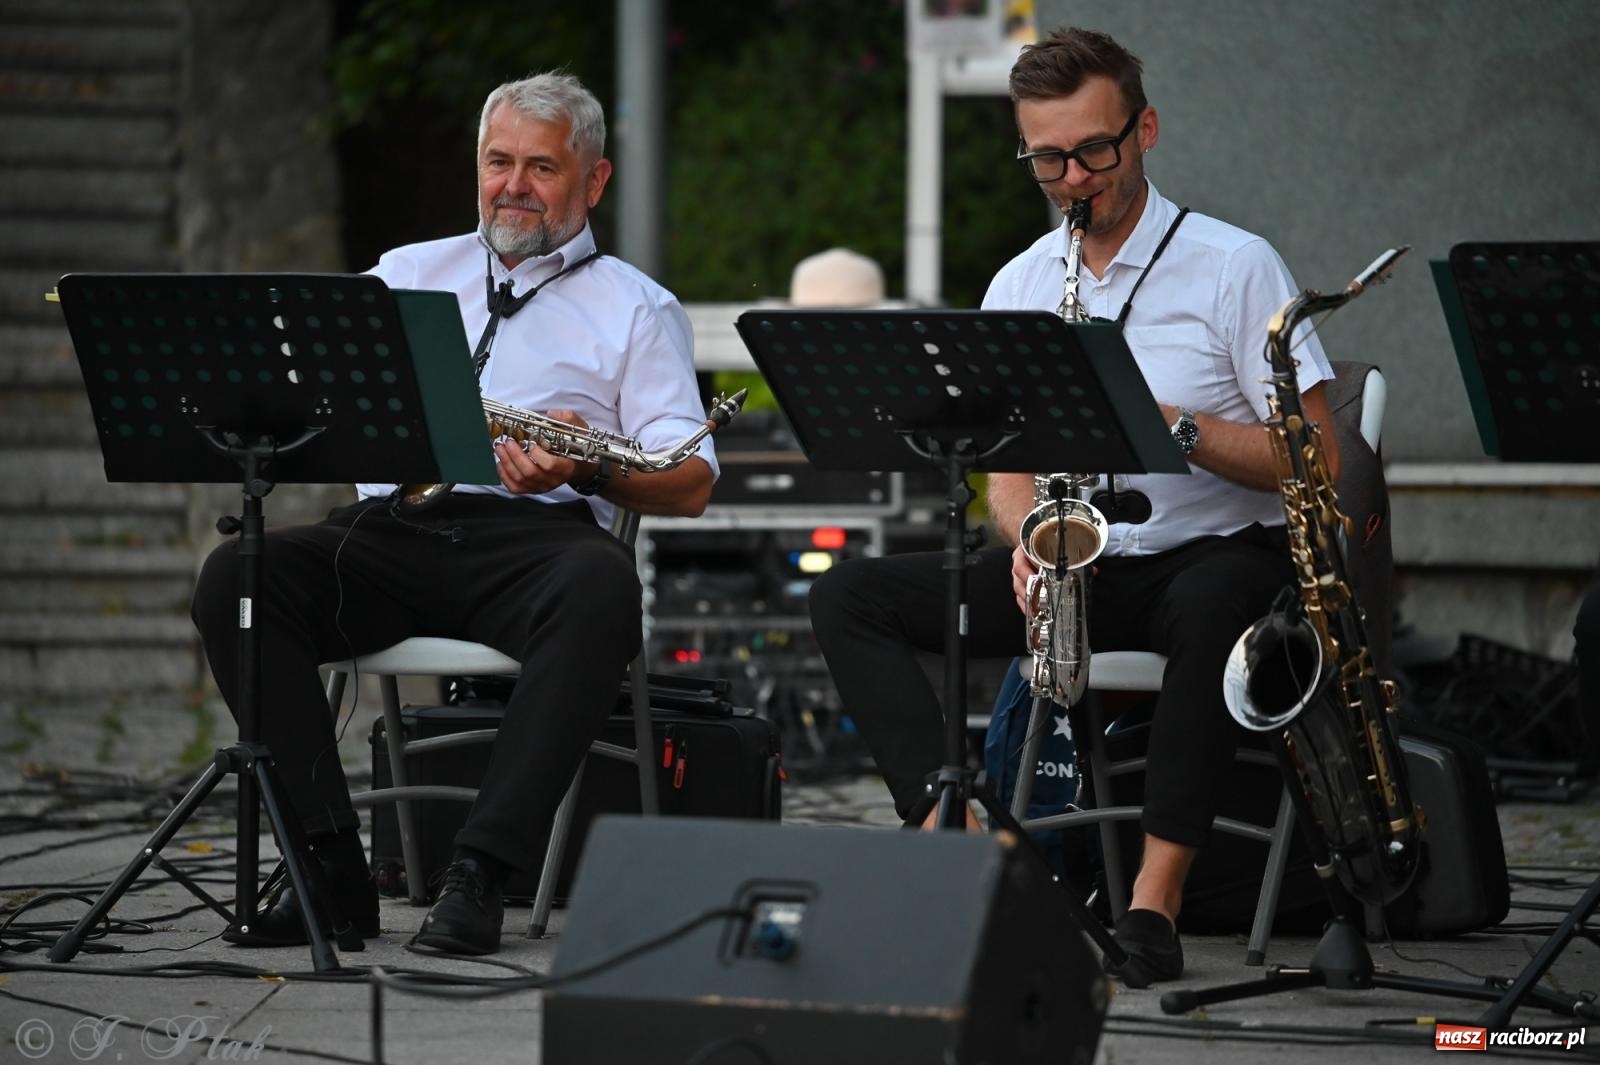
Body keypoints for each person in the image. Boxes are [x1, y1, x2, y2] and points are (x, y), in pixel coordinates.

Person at [808, 26, 1340, 987]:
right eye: (1047, 158)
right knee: (851, 597)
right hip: (1078, 561)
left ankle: (1153, 903)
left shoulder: (1233, 264)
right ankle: (960, 843)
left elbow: (1319, 461)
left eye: (1094, 149)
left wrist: (1168, 424)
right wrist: (1023, 538)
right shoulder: (1020, 282)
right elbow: (1002, 465)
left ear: (1145, 130)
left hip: (1212, 554)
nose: (1073, 178)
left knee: (1217, 607)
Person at [190, 72, 717, 956]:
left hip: (534, 545)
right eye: (497, 162)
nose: (512, 185)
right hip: (390, 529)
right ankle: (328, 868)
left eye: (540, 168)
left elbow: (690, 478)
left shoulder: (637, 306)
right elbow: (311, 403)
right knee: (237, 580)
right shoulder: (402, 274)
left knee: (602, 588)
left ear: (594, 181)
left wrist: (589, 468)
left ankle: (479, 872)